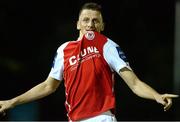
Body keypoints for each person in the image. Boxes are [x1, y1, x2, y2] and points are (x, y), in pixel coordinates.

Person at [0, 2, 178, 122]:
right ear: (78, 24)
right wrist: (12, 102)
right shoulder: (64, 50)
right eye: (86, 20)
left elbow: (135, 83)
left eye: (95, 21)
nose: (90, 24)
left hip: (101, 118)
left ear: (102, 26)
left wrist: (156, 96)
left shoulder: (107, 45)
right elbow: (48, 86)